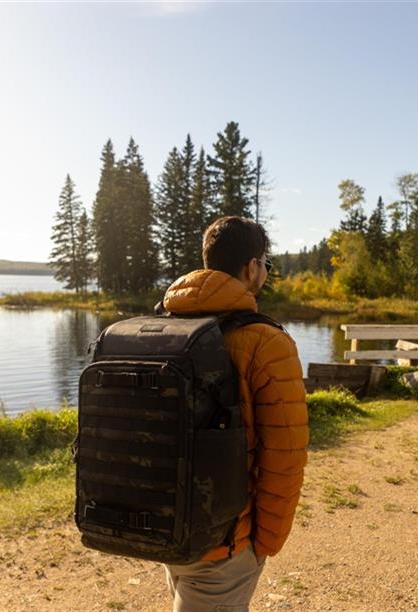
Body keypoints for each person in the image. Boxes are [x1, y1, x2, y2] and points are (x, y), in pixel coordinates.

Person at [160, 216, 309, 612]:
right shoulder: (266, 342)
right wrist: (266, 541)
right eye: (266, 264)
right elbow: (285, 454)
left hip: (164, 522)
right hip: (225, 541)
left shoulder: (165, 327)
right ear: (251, 267)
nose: (265, 271)